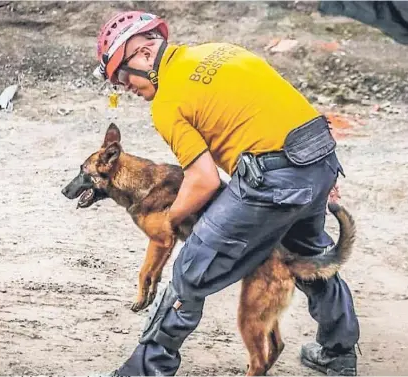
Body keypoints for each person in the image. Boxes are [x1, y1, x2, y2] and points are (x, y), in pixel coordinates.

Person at [93, 10, 360, 376]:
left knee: (191, 269)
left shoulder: (167, 102)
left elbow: (204, 180)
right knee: (309, 252)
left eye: (122, 77)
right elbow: (287, 104)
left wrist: (170, 221)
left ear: (142, 53)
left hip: (272, 179)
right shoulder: (221, 51)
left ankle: (144, 370)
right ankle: (338, 352)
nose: (125, 88)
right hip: (317, 156)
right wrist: (319, 170)